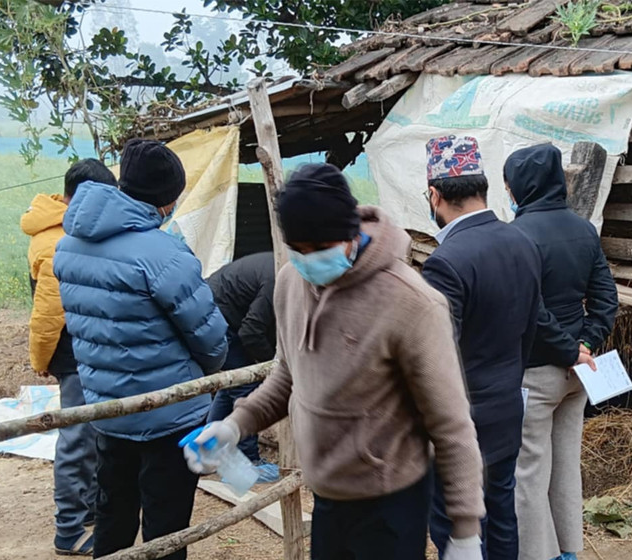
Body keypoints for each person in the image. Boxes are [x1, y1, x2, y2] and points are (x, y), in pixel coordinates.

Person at [185, 164, 486, 560]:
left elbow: (450, 423)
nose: (310, 262)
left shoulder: (411, 303)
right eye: (300, 250)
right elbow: (287, 376)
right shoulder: (291, 284)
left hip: (389, 500)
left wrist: (465, 530)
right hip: (326, 493)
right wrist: (233, 425)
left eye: (321, 248)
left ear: (349, 234)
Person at [53, 139, 229, 559]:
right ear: (166, 199)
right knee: (165, 528)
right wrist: (207, 372)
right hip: (168, 414)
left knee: (112, 518)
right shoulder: (162, 252)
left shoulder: (69, 245)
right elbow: (211, 338)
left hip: (108, 411)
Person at [420, 136, 542, 560]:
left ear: (434, 195)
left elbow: (438, 360)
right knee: (502, 518)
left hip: (461, 425)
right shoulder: (522, 242)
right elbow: (531, 329)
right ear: (484, 187)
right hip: (507, 406)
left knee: (460, 529)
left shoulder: (446, 261)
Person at [505, 144, 618, 560]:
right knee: (566, 467)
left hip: (536, 371)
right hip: (578, 375)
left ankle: (539, 556)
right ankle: (569, 552)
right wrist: (586, 344)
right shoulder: (583, 229)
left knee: (529, 472)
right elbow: (606, 297)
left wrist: (570, 349)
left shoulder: (516, 235)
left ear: (518, 186)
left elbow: (530, 310)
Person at [23, 158, 117, 555]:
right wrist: (41, 359)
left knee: (93, 431)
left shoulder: (66, 228)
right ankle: (69, 529)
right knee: (77, 436)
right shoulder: (56, 241)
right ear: (80, 198)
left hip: (86, 347)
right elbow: (47, 313)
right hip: (71, 351)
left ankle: (91, 511)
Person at [204, 251, 281, 482]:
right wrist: (271, 366)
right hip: (219, 318)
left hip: (221, 312)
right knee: (245, 385)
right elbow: (251, 330)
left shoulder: (277, 267)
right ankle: (248, 461)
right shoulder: (275, 280)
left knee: (231, 386)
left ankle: (209, 448)